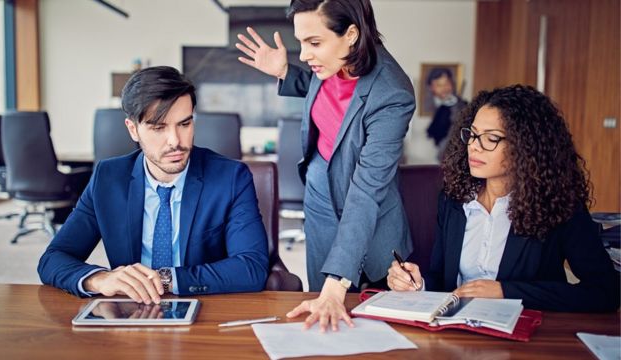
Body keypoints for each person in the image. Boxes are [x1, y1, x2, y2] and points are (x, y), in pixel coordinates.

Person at [236, 0, 415, 331]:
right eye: (300, 42)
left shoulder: (392, 94)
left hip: (368, 212)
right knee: (322, 315)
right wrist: (285, 72)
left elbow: (366, 190)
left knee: (373, 324)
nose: (303, 54)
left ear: (351, 34)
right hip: (319, 195)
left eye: (314, 43)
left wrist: (338, 284)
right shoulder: (332, 63)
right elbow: (320, 88)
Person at [38, 66, 269, 304]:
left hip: (205, 308)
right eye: (158, 128)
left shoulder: (230, 177)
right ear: (133, 129)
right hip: (131, 313)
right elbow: (53, 259)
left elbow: (252, 267)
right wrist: (99, 279)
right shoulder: (108, 178)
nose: (175, 142)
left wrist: (163, 279)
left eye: (184, 124)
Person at [387, 84, 620, 312]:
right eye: (473, 134)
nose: (474, 147)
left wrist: (506, 292)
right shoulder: (455, 199)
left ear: (526, 146)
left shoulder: (558, 205)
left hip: (526, 339)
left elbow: (605, 292)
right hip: (455, 334)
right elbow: (442, 280)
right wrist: (418, 284)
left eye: (491, 138)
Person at [425, 67, 466, 160]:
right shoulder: (434, 106)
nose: (444, 88)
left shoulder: (461, 106)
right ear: (431, 87)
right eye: (439, 85)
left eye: (447, 83)